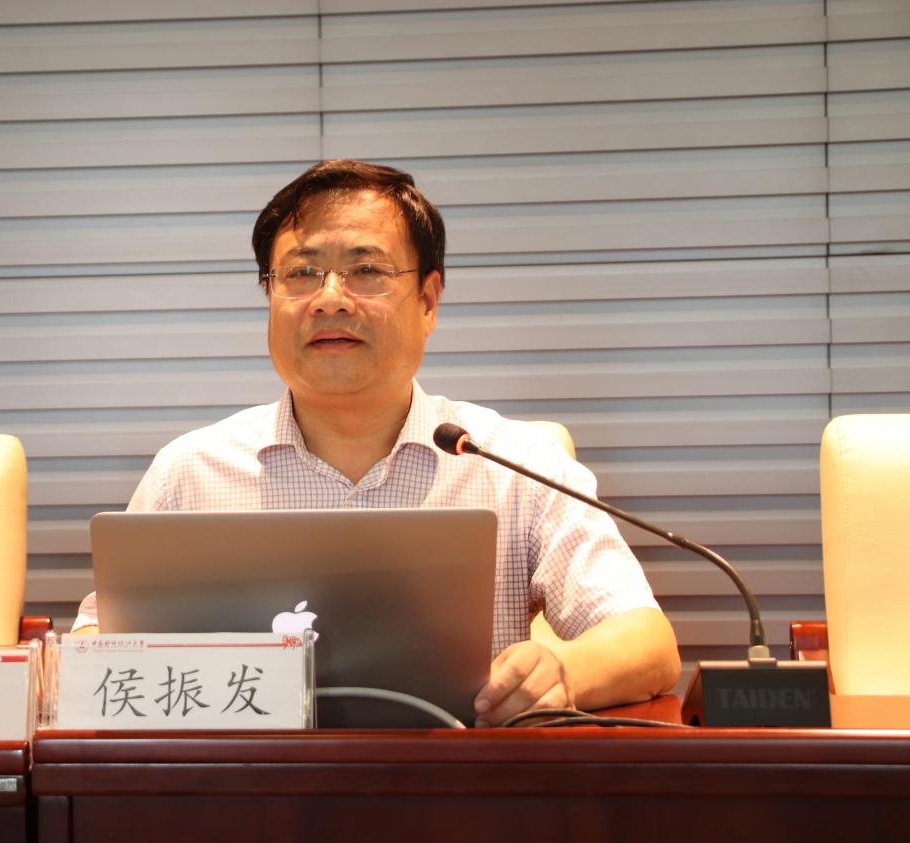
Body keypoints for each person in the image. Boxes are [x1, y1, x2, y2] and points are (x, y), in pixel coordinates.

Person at [73, 159, 680, 727]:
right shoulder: (189, 471)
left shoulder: (513, 464)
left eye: (366, 271)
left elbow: (647, 644)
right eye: (301, 273)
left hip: (455, 785)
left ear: (428, 300)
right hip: (246, 789)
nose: (329, 298)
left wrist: (562, 672)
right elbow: (94, 651)